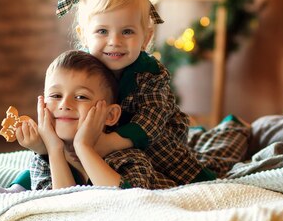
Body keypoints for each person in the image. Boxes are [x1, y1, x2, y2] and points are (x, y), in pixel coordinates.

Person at [55, 0, 250, 186]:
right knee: (59, 152)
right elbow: (59, 102)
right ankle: (16, 186)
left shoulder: (150, 73)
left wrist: (108, 143)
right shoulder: (79, 68)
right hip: (99, 136)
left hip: (154, 138)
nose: (114, 41)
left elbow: (151, 119)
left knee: (192, 176)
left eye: (127, 32)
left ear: (146, 38)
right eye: (102, 31)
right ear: (83, 35)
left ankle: (216, 174)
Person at [14, 49, 178, 190]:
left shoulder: (129, 159)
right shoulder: (45, 159)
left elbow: (126, 203)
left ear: (110, 115)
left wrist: (83, 147)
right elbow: (63, 211)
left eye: (81, 97)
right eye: (56, 95)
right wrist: (55, 150)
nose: (64, 105)